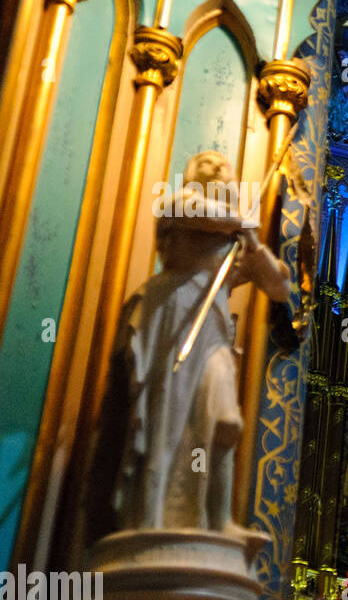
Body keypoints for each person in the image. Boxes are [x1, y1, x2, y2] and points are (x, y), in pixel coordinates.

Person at [93, 151, 291, 536]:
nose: (216, 167)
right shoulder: (177, 204)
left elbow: (279, 287)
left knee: (225, 422)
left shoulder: (234, 243)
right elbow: (201, 213)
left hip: (212, 329)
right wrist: (243, 222)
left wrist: (255, 245)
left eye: (222, 165)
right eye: (206, 163)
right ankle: (147, 519)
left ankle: (219, 521)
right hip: (171, 314)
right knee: (164, 420)